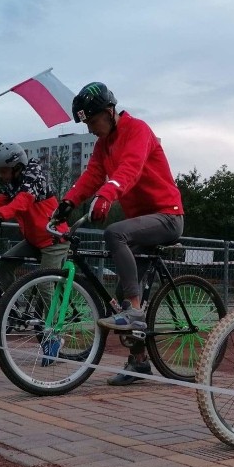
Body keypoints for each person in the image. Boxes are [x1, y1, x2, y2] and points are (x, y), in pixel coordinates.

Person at [52, 82, 184, 386]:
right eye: (86, 123)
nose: (91, 128)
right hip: (141, 224)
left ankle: (136, 312)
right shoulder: (102, 145)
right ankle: (138, 362)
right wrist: (68, 201)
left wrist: (108, 193)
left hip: (167, 216)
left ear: (110, 112)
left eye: (93, 121)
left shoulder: (138, 130)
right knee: (120, 296)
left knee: (114, 234)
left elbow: (131, 167)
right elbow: (92, 176)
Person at [0, 143, 68, 291]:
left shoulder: (33, 178)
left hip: (53, 240)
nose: (0, 176)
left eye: (3, 171)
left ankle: (54, 315)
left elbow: (22, 201)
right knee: (6, 262)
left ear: (17, 168)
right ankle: (12, 307)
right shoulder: (13, 184)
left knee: (44, 284)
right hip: (35, 240)